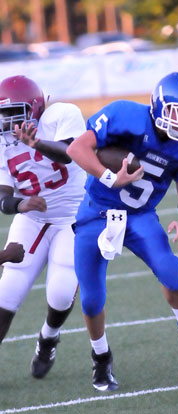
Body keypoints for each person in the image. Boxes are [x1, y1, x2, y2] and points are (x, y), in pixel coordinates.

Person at [66, 71, 178, 392]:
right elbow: (77, 149)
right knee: (92, 296)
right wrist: (112, 178)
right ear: (158, 107)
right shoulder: (126, 116)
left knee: (171, 271)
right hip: (96, 211)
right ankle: (101, 358)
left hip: (140, 215)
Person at [0, 75, 87, 378]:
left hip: (73, 217)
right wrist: (17, 205)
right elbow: (2, 194)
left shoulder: (63, 115)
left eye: (15, 112)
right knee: (6, 293)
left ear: (35, 108)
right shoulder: (2, 142)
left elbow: (70, 152)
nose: (9, 121)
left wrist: (35, 143)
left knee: (62, 292)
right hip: (33, 220)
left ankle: (48, 336)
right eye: (4, 114)